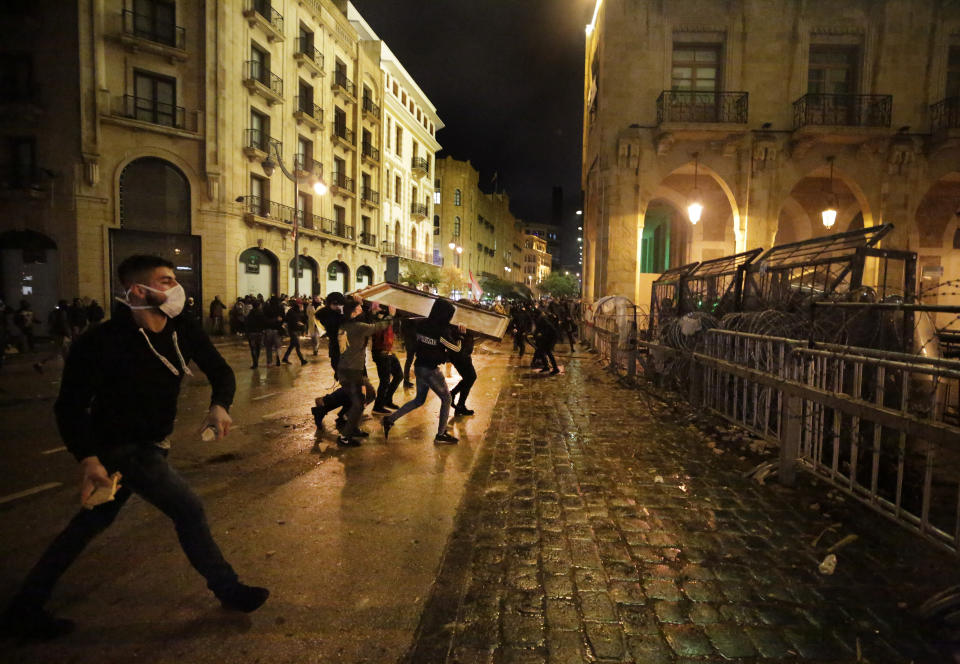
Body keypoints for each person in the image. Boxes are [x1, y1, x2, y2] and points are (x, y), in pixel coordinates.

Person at [2, 255, 268, 640]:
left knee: (89, 524)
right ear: (138, 290)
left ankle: (23, 608)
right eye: (165, 280)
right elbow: (70, 407)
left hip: (154, 444)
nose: (176, 287)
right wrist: (89, 458)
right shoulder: (100, 341)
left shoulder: (182, 328)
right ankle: (229, 590)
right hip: (121, 447)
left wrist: (219, 405)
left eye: (175, 280)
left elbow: (221, 371)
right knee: (189, 510)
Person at [382, 299, 462, 445]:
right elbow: (455, 348)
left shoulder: (422, 324)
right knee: (447, 399)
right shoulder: (441, 331)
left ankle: (390, 419)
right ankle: (441, 434)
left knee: (419, 400)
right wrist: (461, 336)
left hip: (419, 367)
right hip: (431, 370)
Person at [334, 297, 395, 446]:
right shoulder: (357, 327)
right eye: (359, 308)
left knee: (370, 394)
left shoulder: (345, 325)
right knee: (359, 404)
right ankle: (345, 436)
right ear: (354, 312)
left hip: (350, 369)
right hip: (351, 371)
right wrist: (391, 315)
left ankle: (352, 424)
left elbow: (370, 323)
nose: (362, 309)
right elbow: (377, 326)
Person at [371, 310, 403, 414]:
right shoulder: (378, 316)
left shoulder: (386, 315)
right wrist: (390, 315)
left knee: (398, 375)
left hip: (388, 351)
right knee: (385, 380)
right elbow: (380, 327)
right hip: (381, 352)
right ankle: (378, 406)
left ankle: (387, 400)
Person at [34, 300, 71, 373]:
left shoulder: (55, 312)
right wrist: (68, 333)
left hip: (56, 333)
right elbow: (63, 324)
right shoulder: (62, 313)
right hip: (59, 334)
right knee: (56, 352)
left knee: (65, 351)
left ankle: (68, 367)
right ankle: (39, 364)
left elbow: (52, 323)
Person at [448, 328, 477, 416]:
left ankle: (459, 404)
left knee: (469, 378)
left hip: (465, 353)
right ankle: (455, 398)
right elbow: (453, 337)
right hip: (460, 356)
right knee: (470, 377)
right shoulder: (458, 322)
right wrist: (461, 334)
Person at [314, 292, 346, 371]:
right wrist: (341, 312)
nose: (337, 306)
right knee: (338, 369)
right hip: (336, 349)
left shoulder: (343, 313)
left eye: (340, 304)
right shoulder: (326, 315)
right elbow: (335, 325)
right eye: (335, 303)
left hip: (348, 350)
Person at [281, 299, 308, 365]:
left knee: (292, 345)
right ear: (297, 304)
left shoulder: (300, 311)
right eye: (300, 303)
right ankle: (302, 360)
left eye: (301, 304)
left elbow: (304, 319)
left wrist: (303, 314)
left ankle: (285, 358)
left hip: (297, 330)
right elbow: (287, 320)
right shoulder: (291, 311)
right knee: (297, 345)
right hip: (292, 330)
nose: (301, 305)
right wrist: (296, 323)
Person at [262, 296, 284, 367]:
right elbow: (283, 318)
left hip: (268, 330)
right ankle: (278, 358)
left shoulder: (266, 308)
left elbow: (264, 320)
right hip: (277, 330)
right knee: (278, 346)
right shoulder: (280, 308)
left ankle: (269, 362)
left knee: (268, 347)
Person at [245, 299, 266, 369]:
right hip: (259, 333)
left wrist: (247, 333)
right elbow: (264, 323)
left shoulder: (250, 314)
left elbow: (247, 324)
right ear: (259, 306)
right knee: (258, 348)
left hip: (252, 333)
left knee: (253, 349)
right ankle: (256, 361)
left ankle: (255, 363)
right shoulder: (261, 313)